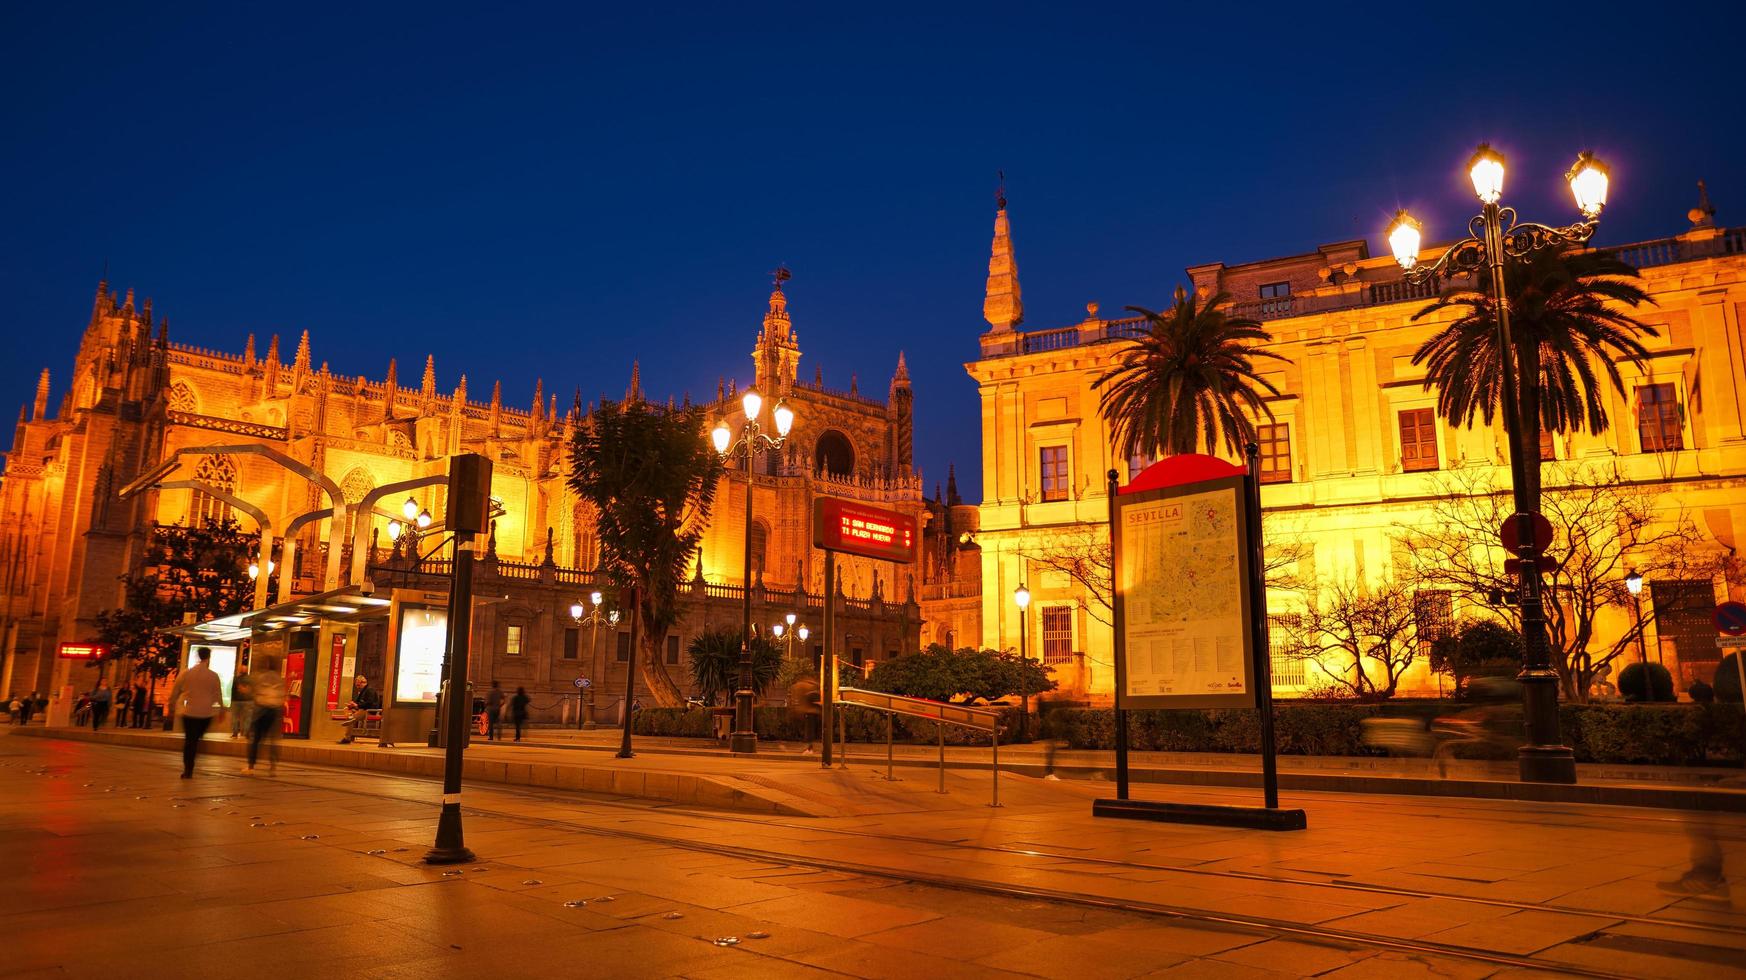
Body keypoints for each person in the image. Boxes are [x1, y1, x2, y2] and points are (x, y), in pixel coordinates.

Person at [166, 648, 224, 779]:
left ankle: (188, 769)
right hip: (205, 714)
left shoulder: (186, 673)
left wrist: (171, 707)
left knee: (190, 741)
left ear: (198, 656)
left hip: (190, 712)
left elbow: (176, 691)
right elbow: (217, 695)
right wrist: (222, 709)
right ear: (209, 657)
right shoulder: (213, 676)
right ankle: (194, 753)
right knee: (196, 739)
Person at [244, 656, 285, 775]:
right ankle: (273, 767)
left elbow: (254, 694)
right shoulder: (279, 679)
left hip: (261, 711)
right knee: (273, 740)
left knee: (255, 739)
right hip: (274, 711)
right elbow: (282, 696)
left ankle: (251, 767)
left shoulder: (261, 678)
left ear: (266, 665)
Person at [338, 676, 381, 744]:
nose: (357, 687)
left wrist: (357, 705)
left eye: (358, 685)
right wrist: (352, 705)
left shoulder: (370, 690)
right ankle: (349, 723)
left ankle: (347, 738)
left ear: (363, 683)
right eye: (356, 685)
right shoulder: (363, 691)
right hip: (362, 709)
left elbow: (369, 703)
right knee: (347, 710)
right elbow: (358, 702)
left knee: (351, 718)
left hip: (368, 711)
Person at [230, 669, 255, 740]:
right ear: (247, 672)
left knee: (235, 717)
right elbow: (253, 690)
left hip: (236, 701)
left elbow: (233, 690)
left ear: (240, 672)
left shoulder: (236, 679)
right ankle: (246, 733)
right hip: (248, 701)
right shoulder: (251, 680)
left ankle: (235, 733)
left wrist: (232, 700)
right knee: (248, 718)